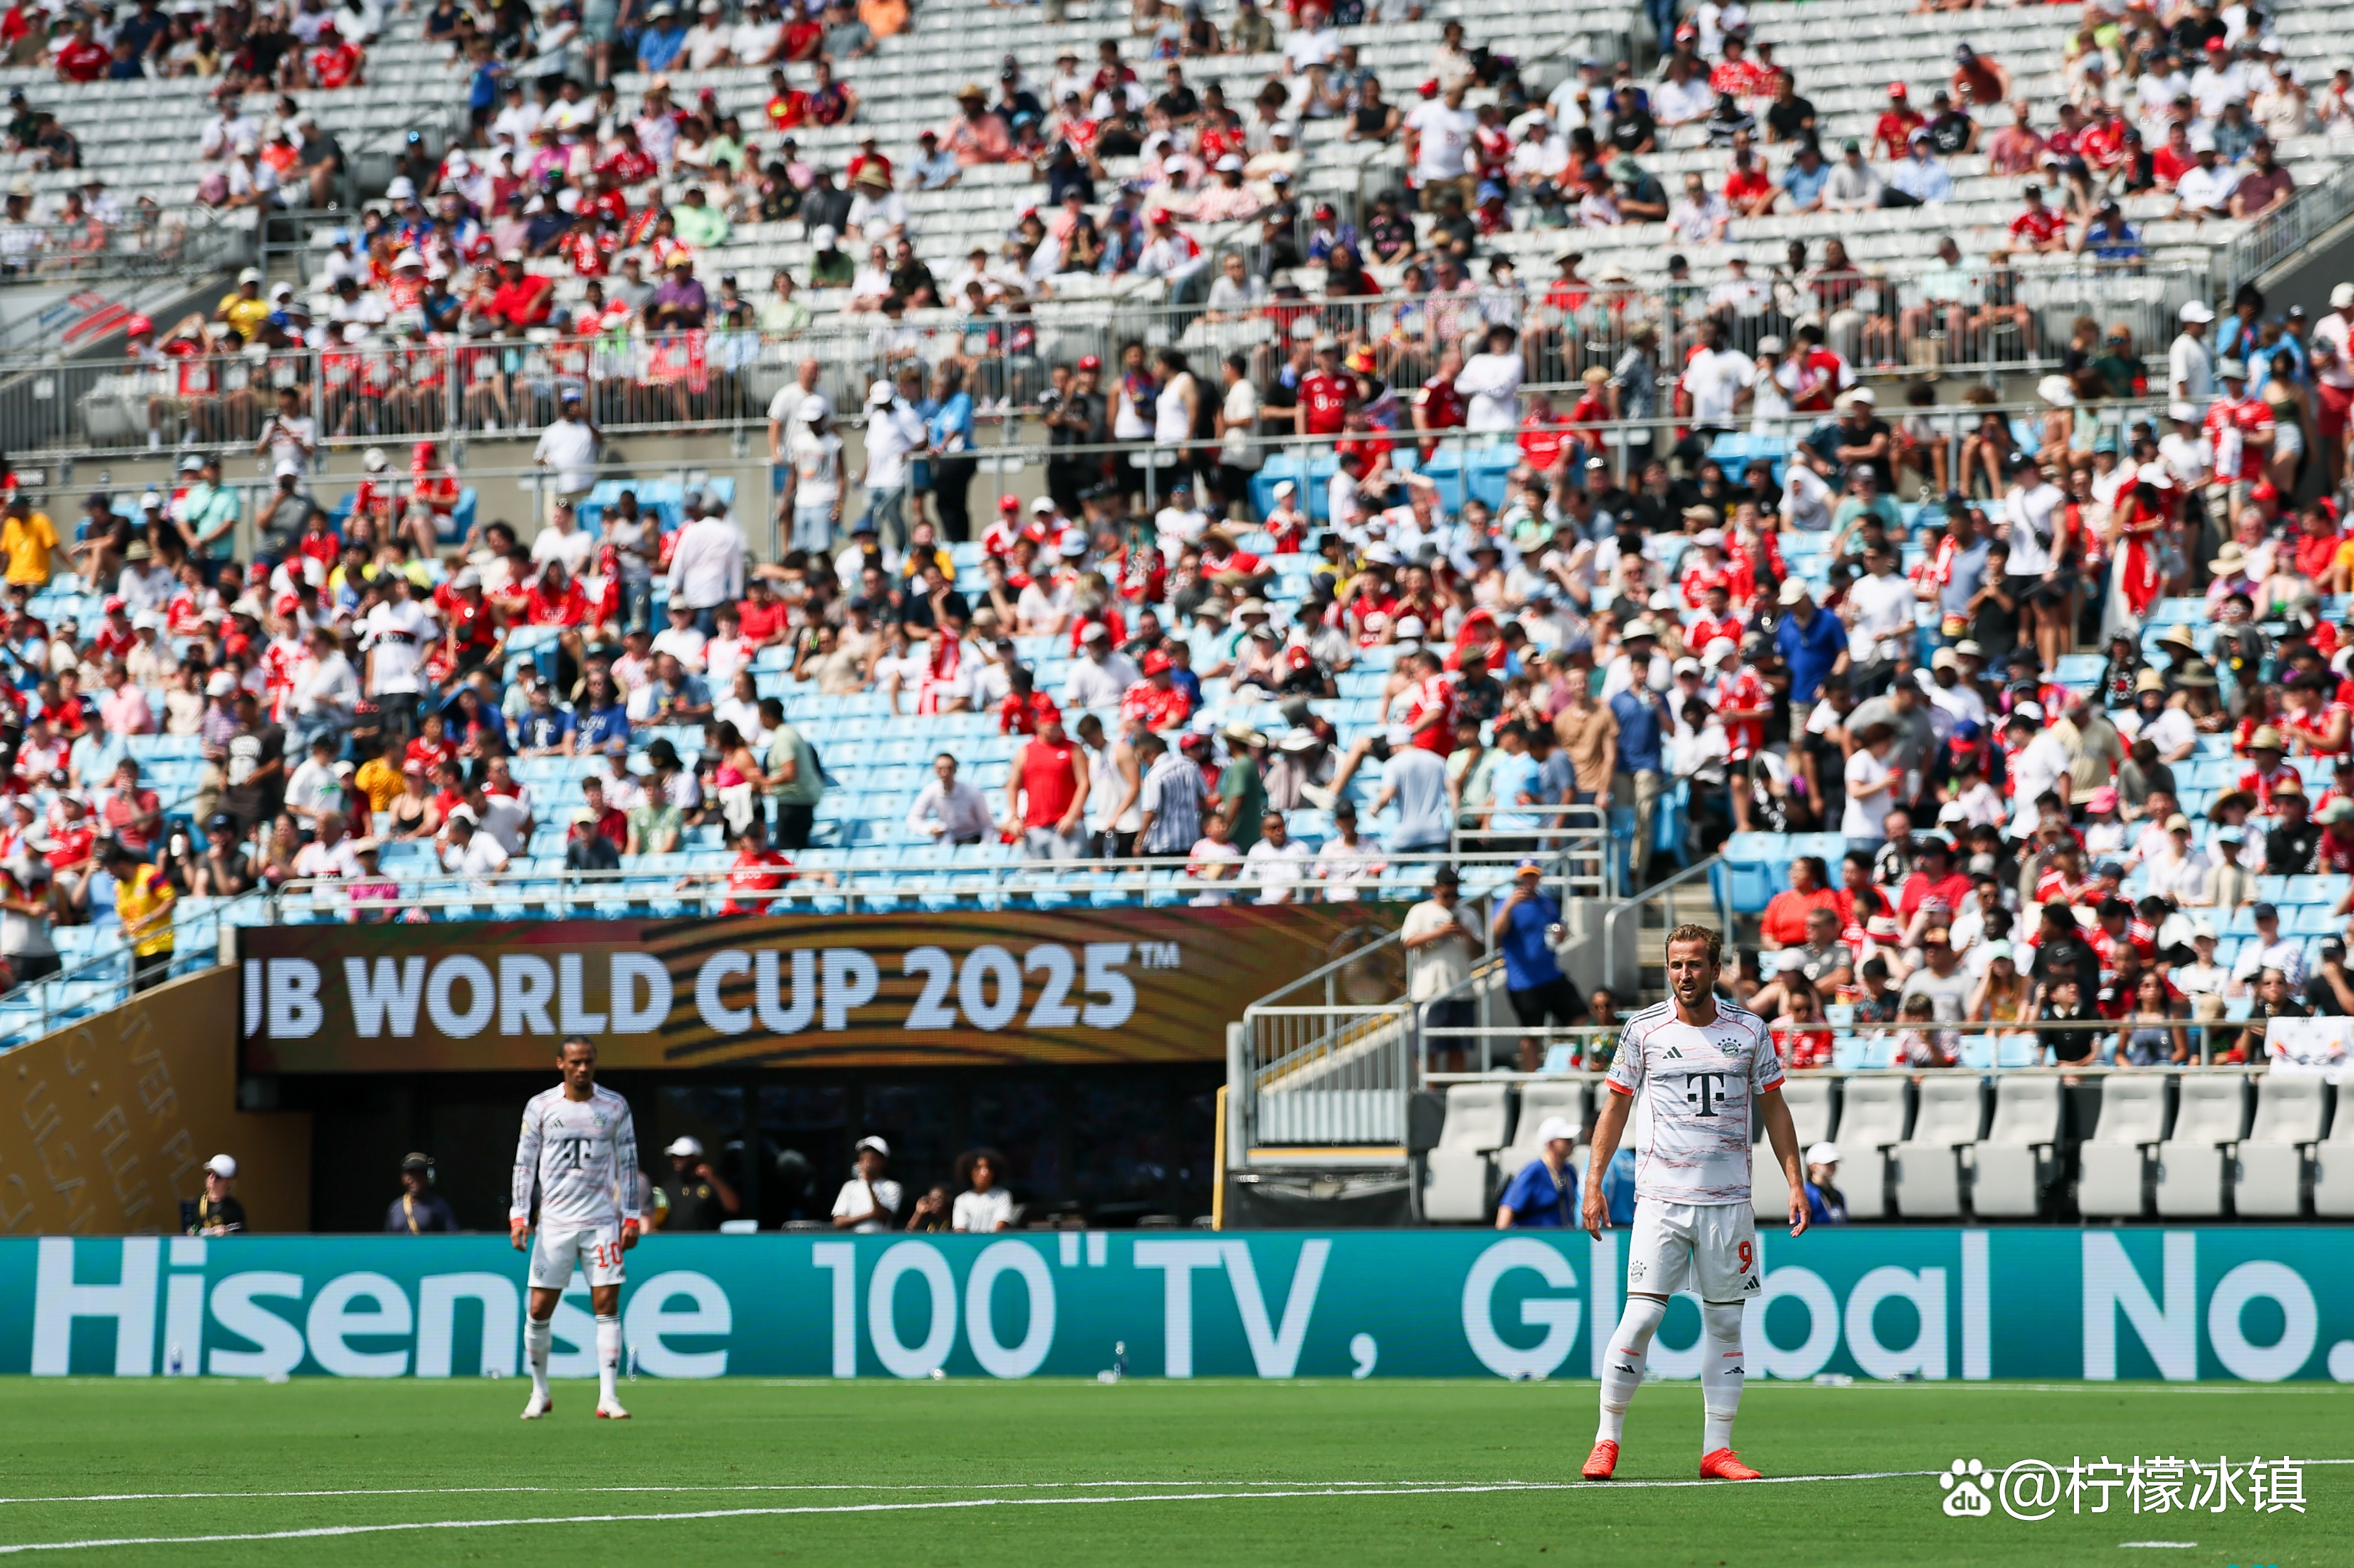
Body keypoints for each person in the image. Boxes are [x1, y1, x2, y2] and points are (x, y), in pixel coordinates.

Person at [1581, 924, 1806, 1483]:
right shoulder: (1642, 1030)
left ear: (1715, 968)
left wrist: (1795, 1181)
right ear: (1668, 968)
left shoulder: (1750, 1030)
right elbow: (1614, 1110)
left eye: (1696, 964)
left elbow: (1774, 1109)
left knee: (1726, 1324)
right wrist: (1593, 1182)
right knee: (1641, 1316)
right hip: (1661, 1199)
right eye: (1676, 965)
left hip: (1729, 1202)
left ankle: (1716, 1449)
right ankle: (1605, 1440)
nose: (1685, 974)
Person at [512, 1035, 640, 1421]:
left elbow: (629, 1163)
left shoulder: (615, 1105)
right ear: (560, 1064)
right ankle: (540, 1392)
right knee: (538, 1308)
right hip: (554, 1224)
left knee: (607, 1305)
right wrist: (519, 1213)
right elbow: (524, 1164)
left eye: (588, 1061)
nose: (582, 1068)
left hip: (601, 1221)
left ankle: (609, 1397)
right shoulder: (541, 1106)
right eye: (575, 1062)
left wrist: (630, 1216)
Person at [1490, 858, 1586, 1070]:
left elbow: (1558, 928)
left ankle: (1583, 1066)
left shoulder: (1547, 903)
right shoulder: (1505, 904)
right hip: (1523, 981)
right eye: (1525, 876)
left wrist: (1561, 934)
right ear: (1517, 878)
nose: (1529, 881)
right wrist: (1510, 905)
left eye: (1532, 875)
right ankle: (1532, 1079)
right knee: (1531, 1033)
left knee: (1581, 1019)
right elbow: (1497, 932)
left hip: (1551, 974)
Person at [1402, 868, 1479, 1073]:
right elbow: (1408, 942)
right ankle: (1430, 1096)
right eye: (1447, 895)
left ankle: (1456, 1095)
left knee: (1458, 1049)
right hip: (1429, 992)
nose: (1452, 899)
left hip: (1461, 990)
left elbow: (1481, 951)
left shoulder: (1469, 914)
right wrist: (1439, 932)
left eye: (1456, 894)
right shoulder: (1420, 911)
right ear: (1435, 890)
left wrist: (1466, 934)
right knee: (1428, 1049)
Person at [106, 841, 176, 990]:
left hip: (159, 944)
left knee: (153, 994)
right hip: (138, 947)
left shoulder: (150, 875)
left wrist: (148, 919)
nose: (109, 873)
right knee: (137, 996)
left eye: (111, 869)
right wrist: (124, 929)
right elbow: (125, 915)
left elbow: (171, 900)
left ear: (121, 865)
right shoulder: (119, 887)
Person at [1495, 1116, 1579, 1228]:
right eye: (1567, 1140)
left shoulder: (1569, 1171)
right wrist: (1501, 1240)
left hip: (1561, 1241)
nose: (1572, 1144)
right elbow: (1508, 1208)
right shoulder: (1533, 1172)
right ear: (1551, 1143)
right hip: (1535, 1242)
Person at [659, 1134, 742, 1230]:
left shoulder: (711, 1183)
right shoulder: (670, 1185)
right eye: (674, 1157)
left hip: (705, 1242)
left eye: (681, 1157)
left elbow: (733, 1207)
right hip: (676, 1241)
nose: (675, 1160)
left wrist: (714, 1179)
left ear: (695, 1158)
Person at [831, 1134, 901, 1232]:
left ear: (883, 1162)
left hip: (879, 1241)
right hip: (854, 1240)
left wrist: (869, 1185)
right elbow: (838, 1222)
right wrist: (869, 1215)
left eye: (872, 1159)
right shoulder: (850, 1186)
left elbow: (883, 1216)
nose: (867, 1163)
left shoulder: (892, 1187)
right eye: (863, 1159)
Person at [384, 1153, 459, 1234]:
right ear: (404, 1178)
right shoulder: (395, 1208)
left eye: (420, 1175)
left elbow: (453, 1238)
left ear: (428, 1177)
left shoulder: (439, 1206)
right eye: (411, 1175)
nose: (415, 1180)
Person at [952, 1148, 1014, 1232]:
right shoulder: (962, 1200)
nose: (984, 1172)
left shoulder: (1002, 1196)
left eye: (988, 1168)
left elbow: (1000, 1225)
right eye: (979, 1168)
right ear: (969, 1171)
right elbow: (960, 1229)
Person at [188, 1153, 245, 1235]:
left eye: (218, 1177)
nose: (212, 1178)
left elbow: (242, 1237)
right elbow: (195, 1225)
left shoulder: (234, 1209)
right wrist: (192, 1231)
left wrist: (227, 1233)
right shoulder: (199, 1202)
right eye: (209, 1174)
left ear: (228, 1182)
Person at [1802, 1142, 1848, 1225]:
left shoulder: (1837, 1195)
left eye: (1834, 1163)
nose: (1833, 1167)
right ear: (1813, 1166)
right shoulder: (1806, 1195)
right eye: (1828, 1163)